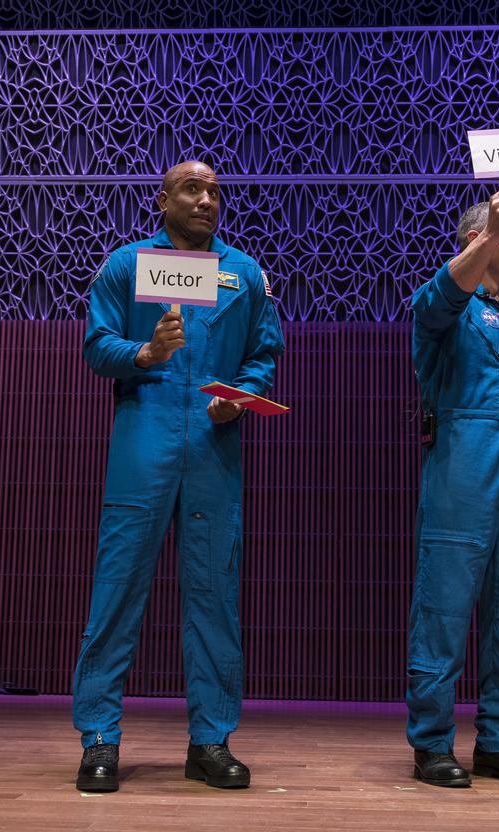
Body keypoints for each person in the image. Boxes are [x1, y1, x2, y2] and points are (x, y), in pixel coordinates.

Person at [72, 161, 285, 792]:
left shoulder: (244, 275)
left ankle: (211, 740)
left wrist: (241, 396)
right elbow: (96, 345)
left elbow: (263, 353)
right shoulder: (128, 266)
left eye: (215, 192)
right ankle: (100, 738)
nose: (206, 200)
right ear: (162, 199)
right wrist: (146, 353)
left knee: (214, 593)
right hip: (146, 433)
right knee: (117, 586)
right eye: (192, 189)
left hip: (213, 442)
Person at [405, 184, 499, 788]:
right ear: (477, 240)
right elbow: (445, 294)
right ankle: (432, 744)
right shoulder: (441, 304)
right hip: (463, 468)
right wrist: (494, 226)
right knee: (444, 606)